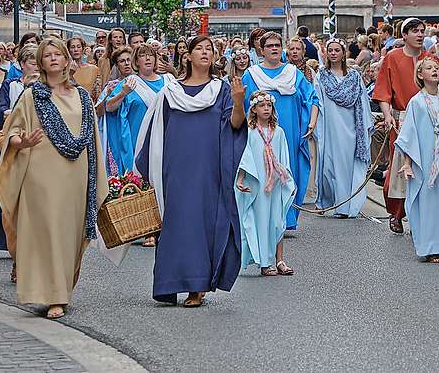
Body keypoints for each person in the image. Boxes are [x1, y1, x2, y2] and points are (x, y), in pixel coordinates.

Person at [0, 37, 111, 320]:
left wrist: (99, 179)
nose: (52, 59)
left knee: (68, 234)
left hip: (75, 175)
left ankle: (62, 290)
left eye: (56, 54)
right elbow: (11, 133)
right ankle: (53, 296)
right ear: (40, 62)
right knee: (45, 232)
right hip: (40, 175)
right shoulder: (31, 96)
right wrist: (21, 142)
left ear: (66, 60)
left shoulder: (83, 97)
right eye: (46, 56)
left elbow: (93, 140)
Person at [135, 35, 247, 307]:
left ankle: (197, 286)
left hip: (208, 167)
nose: (206, 53)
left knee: (202, 222)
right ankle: (170, 282)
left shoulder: (220, 90)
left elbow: (235, 125)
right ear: (188, 56)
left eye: (210, 49)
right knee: (176, 221)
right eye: (200, 49)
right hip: (175, 168)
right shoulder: (170, 92)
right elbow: (156, 132)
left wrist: (239, 99)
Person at [242, 32, 319, 230]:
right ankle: (264, 219)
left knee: (287, 170)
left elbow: (312, 98)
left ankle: (286, 219)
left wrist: (311, 122)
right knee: (264, 171)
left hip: (290, 133)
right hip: (261, 134)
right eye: (269, 46)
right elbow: (243, 106)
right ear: (262, 49)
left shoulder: (293, 73)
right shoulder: (252, 75)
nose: (274, 48)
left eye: (277, 45)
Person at [372, 17, 437, 234]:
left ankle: (424, 212)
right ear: (404, 35)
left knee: (427, 165)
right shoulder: (392, 58)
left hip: (429, 118)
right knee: (399, 167)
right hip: (400, 119)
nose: (420, 35)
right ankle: (396, 213)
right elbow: (383, 90)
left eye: (422, 31)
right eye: (415, 31)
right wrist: (387, 115)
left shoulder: (431, 58)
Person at [395, 57, 439, 263]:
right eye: (429, 68)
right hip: (423, 160)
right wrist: (407, 162)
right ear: (420, 75)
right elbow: (409, 134)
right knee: (428, 201)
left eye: (437, 68)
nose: (435, 70)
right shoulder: (416, 102)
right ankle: (430, 246)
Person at [0, 45, 38, 257]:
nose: (35, 66)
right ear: (22, 65)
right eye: (31, 62)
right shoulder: (11, 85)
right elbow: (0, 110)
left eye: (37, 62)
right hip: (16, 147)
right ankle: (15, 244)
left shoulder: (50, 86)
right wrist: (10, 113)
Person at [236, 91, 296, 276]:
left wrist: (286, 178)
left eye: (269, 105)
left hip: (275, 184)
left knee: (278, 220)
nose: (266, 109)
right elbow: (244, 157)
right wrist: (240, 179)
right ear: (254, 109)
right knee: (260, 221)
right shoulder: (250, 132)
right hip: (257, 184)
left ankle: (280, 260)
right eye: (262, 105)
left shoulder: (278, 132)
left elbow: (284, 157)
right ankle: (264, 262)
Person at [314, 38, 371, 219]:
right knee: (330, 166)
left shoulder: (354, 76)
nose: (332, 53)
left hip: (351, 128)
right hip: (330, 127)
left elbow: (362, 102)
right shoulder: (321, 76)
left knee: (348, 166)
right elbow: (317, 101)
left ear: (343, 53)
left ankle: (347, 205)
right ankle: (336, 202)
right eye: (329, 50)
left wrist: (363, 127)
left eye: (336, 50)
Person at [104, 43, 164, 180]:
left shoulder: (168, 81)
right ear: (136, 61)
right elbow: (108, 107)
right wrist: (122, 94)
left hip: (164, 138)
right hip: (138, 141)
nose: (147, 58)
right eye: (142, 55)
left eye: (151, 55)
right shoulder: (129, 82)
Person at [96, 47, 136, 175]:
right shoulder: (112, 85)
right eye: (122, 61)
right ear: (117, 66)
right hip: (116, 135)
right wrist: (110, 94)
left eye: (129, 60)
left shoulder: (143, 83)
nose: (126, 63)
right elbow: (99, 111)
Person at [68, 37, 100, 101]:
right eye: (72, 47)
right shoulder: (63, 70)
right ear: (68, 50)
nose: (76, 49)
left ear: (83, 49)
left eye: (78, 47)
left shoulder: (94, 69)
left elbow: (98, 92)